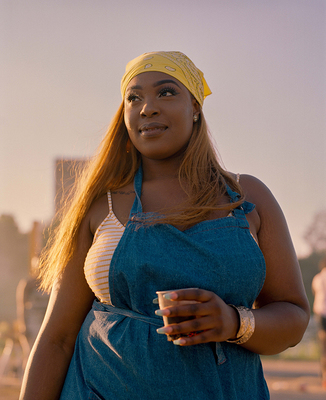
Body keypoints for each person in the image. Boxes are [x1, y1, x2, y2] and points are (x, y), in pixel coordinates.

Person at [19, 51, 310, 400]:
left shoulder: (246, 196)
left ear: (196, 107)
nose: (148, 107)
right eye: (134, 97)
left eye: (167, 92)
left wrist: (234, 322)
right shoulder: (100, 206)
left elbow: (292, 315)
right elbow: (58, 338)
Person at [312, 256, 326, 389]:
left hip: (320, 313)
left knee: (323, 346)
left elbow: (315, 292)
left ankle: (324, 378)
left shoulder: (317, 278)